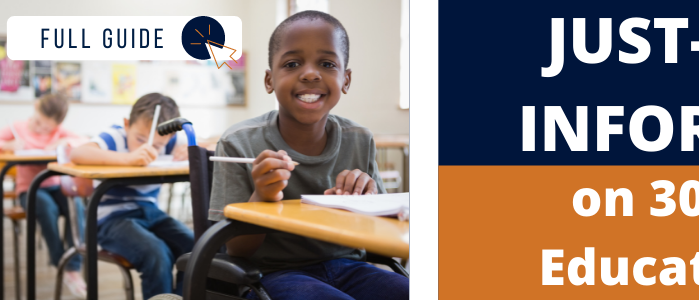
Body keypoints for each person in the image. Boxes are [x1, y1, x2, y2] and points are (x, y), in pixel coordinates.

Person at [210, 10, 409, 300]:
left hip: (349, 266)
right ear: (269, 80)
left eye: (327, 64)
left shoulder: (360, 139)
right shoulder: (238, 143)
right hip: (271, 275)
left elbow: (384, 238)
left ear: (346, 79)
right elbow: (235, 249)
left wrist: (369, 201)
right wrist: (261, 199)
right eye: (292, 64)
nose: (311, 73)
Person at [69, 93, 193, 299]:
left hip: (152, 213)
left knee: (195, 248)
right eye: (140, 139)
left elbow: (210, 142)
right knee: (157, 254)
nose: (147, 148)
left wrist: (191, 149)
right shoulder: (115, 137)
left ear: (169, 137)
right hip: (110, 219)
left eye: (157, 146)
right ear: (127, 124)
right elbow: (77, 154)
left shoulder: (169, 139)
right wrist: (127, 159)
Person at [0, 94, 88, 298]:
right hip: (29, 190)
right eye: (38, 122)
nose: (41, 129)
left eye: (47, 128)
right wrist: (7, 146)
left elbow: (85, 141)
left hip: (56, 186)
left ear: (57, 125)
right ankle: (61, 264)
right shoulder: (17, 127)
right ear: (35, 107)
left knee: (76, 204)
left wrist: (64, 140)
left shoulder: (58, 132)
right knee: (46, 208)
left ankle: (73, 267)